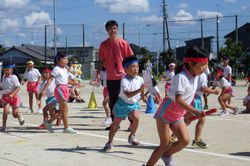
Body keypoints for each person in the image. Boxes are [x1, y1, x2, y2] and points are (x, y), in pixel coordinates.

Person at [145, 46, 208, 166]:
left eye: (206, 64)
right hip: (166, 113)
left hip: (178, 114)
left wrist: (191, 111)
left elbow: (190, 95)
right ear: (190, 63)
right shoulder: (181, 78)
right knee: (164, 144)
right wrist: (194, 110)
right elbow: (179, 100)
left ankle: (167, 155)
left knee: (185, 140)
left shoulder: (196, 76)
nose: (205, 68)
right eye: (202, 64)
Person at [96, 20, 134, 130]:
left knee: (126, 100)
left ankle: (132, 123)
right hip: (111, 77)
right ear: (106, 30)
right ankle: (114, 123)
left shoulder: (123, 43)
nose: (113, 31)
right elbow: (101, 60)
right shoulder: (103, 45)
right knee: (113, 102)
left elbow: (131, 58)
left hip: (123, 76)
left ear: (117, 29)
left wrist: (132, 72)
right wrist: (98, 72)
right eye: (110, 29)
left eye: (114, 28)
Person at [103, 56, 146, 151]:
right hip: (123, 104)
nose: (136, 69)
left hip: (133, 104)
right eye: (132, 67)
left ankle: (132, 136)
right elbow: (129, 95)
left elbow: (142, 89)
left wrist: (143, 96)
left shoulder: (140, 79)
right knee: (115, 127)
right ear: (126, 69)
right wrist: (140, 90)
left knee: (136, 117)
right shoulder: (124, 80)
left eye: (137, 66)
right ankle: (110, 142)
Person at [170, 72, 220, 148]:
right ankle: (196, 140)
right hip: (195, 98)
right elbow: (203, 88)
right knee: (200, 119)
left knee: (188, 120)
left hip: (192, 97)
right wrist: (214, 91)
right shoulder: (202, 75)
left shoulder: (192, 73)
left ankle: (172, 138)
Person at [42, 52, 80, 133]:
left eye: (67, 59)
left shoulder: (64, 69)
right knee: (65, 109)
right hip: (60, 89)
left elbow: (66, 80)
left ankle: (48, 122)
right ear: (58, 60)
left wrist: (75, 84)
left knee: (62, 111)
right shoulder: (56, 69)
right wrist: (45, 90)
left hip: (65, 88)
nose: (66, 61)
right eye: (64, 59)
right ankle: (66, 127)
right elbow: (50, 79)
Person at [0, 62, 25, 131]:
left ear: (12, 70)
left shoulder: (14, 77)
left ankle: (19, 115)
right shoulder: (3, 77)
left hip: (14, 97)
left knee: (14, 114)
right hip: (6, 97)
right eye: (4, 70)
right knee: (5, 111)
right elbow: (3, 87)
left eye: (7, 70)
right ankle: (3, 126)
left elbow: (18, 87)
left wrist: (12, 94)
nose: (6, 71)